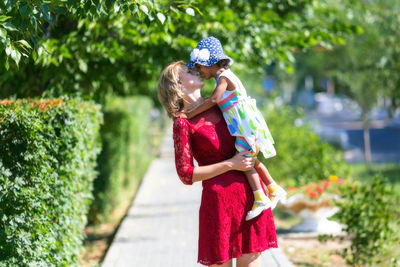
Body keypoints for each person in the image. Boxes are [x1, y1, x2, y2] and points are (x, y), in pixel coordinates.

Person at [158, 61, 278, 267]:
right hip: (218, 204)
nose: (195, 70)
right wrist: (231, 164)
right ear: (178, 85)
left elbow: (247, 131)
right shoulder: (182, 122)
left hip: (250, 198)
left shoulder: (221, 103)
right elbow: (186, 174)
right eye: (188, 71)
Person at [181, 36, 286, 220]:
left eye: (200, 66)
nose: (199, 71)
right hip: (244, 124)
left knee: (245, 159)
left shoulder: (223, 77)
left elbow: (214, 100)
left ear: (210, 63)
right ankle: (272, 187)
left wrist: (190, 114)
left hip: (244, 124)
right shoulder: (223, 76)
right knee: (250, 158)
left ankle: (260, 196)